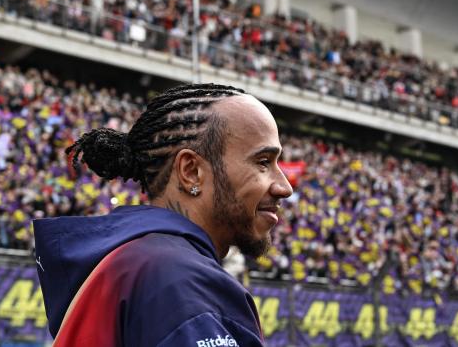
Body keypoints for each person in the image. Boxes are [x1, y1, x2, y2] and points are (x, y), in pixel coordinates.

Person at [33, 83, 293, 346]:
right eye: (263, 163)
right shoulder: (180, 279)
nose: (285, 187)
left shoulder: (134, 261)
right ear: (191, 171)